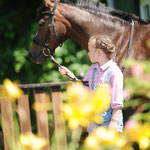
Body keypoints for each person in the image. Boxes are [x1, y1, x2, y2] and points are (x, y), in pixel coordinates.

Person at [59, 35, 124, 132]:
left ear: (99, 52)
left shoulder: (114, 72)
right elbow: (85, 89)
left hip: (110, 123)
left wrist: (113, 123)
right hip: (94, 122)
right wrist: (70, 76)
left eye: (90, 50)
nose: (88, 53)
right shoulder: (92, 69)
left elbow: (117, 102)